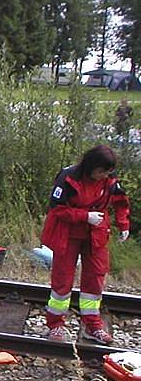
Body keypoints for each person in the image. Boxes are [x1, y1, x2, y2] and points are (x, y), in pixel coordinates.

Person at [40, 145, 131, 344]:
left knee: (95, 279)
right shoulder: (68, 177)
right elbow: (57, 209)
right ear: (91, 166)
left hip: (95, 234)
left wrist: (123, 224)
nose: (104, 175)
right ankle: (55, 325)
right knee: (62, 281)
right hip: (68, 233)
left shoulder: (109, 181)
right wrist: (84, 216)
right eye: (101, 171)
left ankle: (92, 325)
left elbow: (120, 202)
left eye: (108, 172)